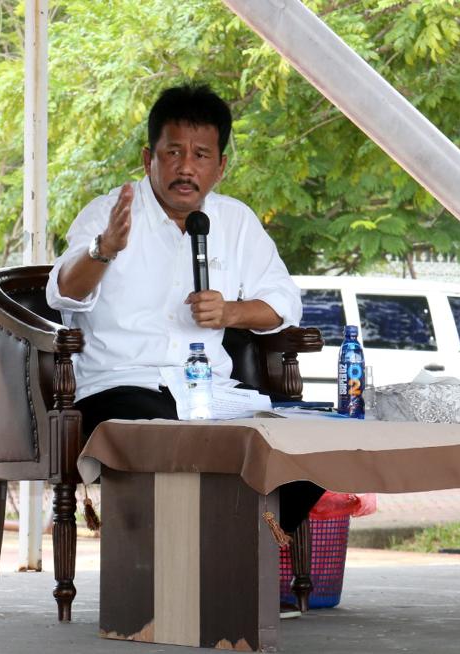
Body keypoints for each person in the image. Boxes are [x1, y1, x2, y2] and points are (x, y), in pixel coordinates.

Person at [45, 84, 323, 573]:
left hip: (210, 394)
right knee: (171, 436)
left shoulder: (235, 221)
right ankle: (201, 579)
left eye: (200, 155)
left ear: (221, 166)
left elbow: (284, 305)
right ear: (148, 157)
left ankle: (229, 569)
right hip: (120, 386)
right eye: (173, 153)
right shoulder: (111, 212)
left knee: (310, 447)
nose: (185, 167)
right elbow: (63, 290)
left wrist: (233, 312)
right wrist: (104, 249)